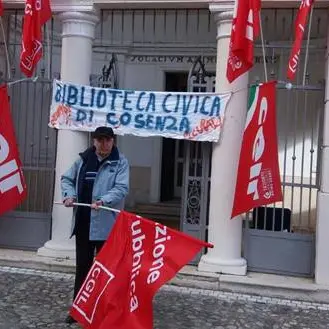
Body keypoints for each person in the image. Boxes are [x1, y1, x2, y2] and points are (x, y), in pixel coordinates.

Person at [61, 126, 129, 324]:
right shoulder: (83, 159)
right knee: (83, 267)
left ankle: (107, 310)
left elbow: (122, 188)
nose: (103, 144)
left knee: (107, 270)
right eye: (100, 140)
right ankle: (78, 310)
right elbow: (66, 179)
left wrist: (103, 200)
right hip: (83, 223)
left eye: (107, 140)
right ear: (94, 141)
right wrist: (69, 195)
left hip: (107, 226)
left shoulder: (120, 162)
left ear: (113, 141)